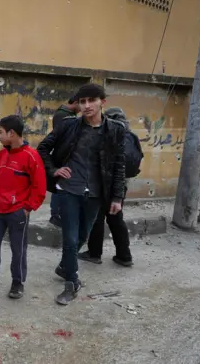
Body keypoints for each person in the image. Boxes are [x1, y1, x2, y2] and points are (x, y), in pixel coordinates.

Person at [37, 83, 127, 305]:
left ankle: (64, 266)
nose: (86, 106)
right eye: (82, 101)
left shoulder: (115, 129)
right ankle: (72, 282)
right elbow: (42, 149)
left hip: (96, 194)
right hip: (69, 189)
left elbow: (119, 165)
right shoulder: (68, 126)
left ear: (102, 102)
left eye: (91, 101)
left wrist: (117, 198)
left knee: (83, 236)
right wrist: (54, 170)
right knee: (69, 238)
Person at [0, 115, 46, 299]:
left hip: (17, 212)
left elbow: (39, 187)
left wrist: (28, 208)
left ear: (12, 133)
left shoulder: (31, 156)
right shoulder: (1, 154)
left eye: (0, 132)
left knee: (18, 249)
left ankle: (17, 282)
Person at [79, 107, 134, 267]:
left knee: (97, 219)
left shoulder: (109, 134)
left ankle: (94, 253)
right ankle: (124, 256)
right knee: (116, 220)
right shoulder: (129, 134)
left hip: (104, 185)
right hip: (121, 185)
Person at [49, 96, 81, 227]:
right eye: (81, 103)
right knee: (59, 186)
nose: (82, 108)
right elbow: (63, 137)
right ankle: (56, 215)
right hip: (63, 155)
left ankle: (58, 214)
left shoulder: (66, 114)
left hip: (64, 154)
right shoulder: (63, 115)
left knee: (61, 185)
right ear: (75, 102)